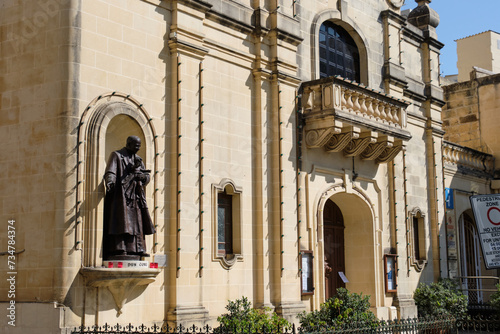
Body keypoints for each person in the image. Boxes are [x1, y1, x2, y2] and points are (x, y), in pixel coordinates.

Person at [102, 136, 155, 260]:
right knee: (122, 223)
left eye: (139, 147)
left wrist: (142, 177)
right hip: (121, 197)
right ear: (129, 144)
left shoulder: (138, 159)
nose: (137, 149)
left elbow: (146, 176)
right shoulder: (117, 155)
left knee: (138, 224)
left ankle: (138, 249)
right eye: (136, 146)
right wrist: (110, 181)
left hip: (136, 197)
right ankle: (120, 249)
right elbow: (111, 172)